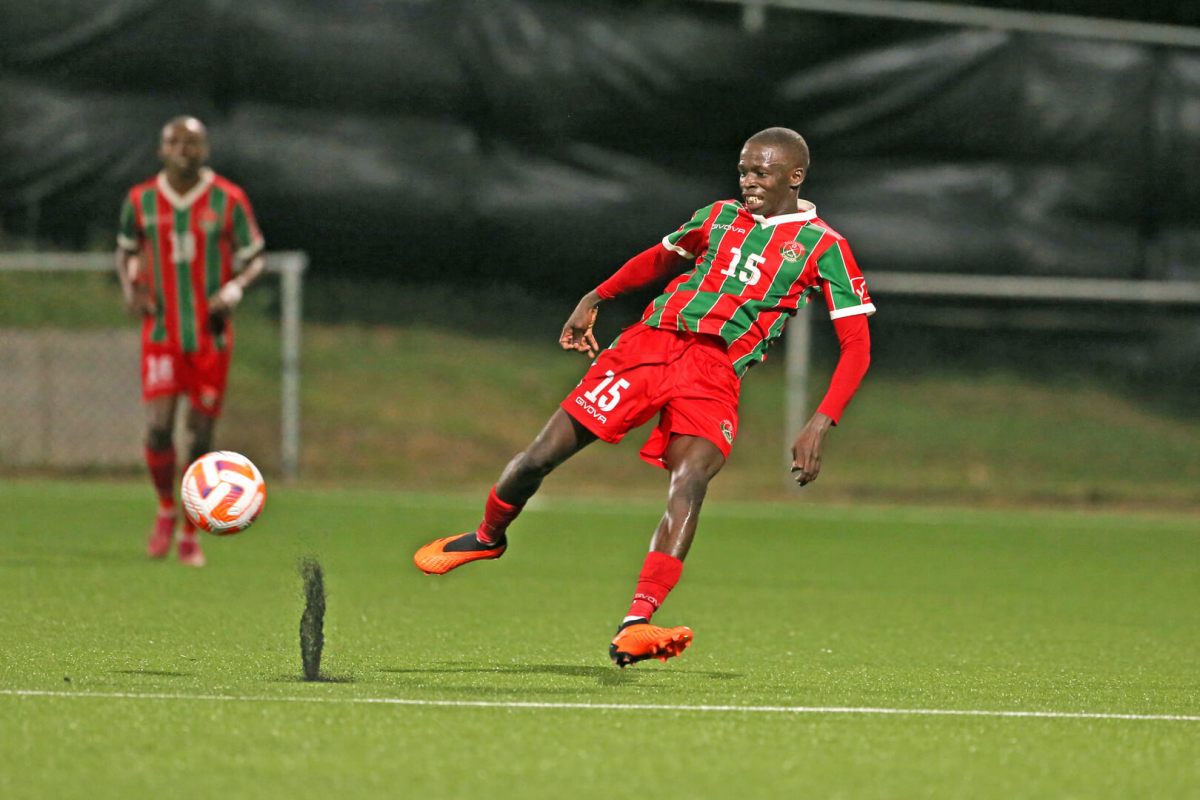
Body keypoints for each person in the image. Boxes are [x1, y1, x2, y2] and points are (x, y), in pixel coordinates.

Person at [413, 127, 874, 666]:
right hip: (648, 347)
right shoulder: (717, 216)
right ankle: (489, 535)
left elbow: (856, 347)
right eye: (744, 170)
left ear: (795, 176)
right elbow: (660, 258)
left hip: (714, 372)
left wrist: (820, 421)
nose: (748, 181)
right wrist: (595, 295)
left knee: (692, 478)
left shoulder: (827, 248)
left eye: (761, 173)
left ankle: (638, 621)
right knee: (539, 457)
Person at [115, 116, 265, 567]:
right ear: (162, 149)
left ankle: (188, 529)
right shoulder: (140, 200)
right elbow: (125, 250)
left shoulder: (229, 199)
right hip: (161, 332)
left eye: (193, 143)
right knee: (160, 426)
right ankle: (165, 510)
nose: (184, 149)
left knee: (200, 437)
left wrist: (235, 289)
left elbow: (254, 257)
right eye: (175, 142)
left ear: (206, 150)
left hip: (210, 337)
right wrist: (130, 286)